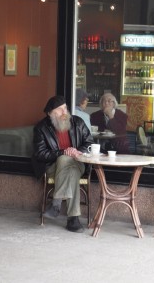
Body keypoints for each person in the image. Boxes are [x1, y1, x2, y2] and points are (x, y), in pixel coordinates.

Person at [32, 95, 94, 233]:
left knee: (68, 162)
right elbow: (40, 154)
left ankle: (56, 203)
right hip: (53, 167)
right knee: (65, 162)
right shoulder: (41, 128)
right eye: (59, 110)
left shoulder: (78, 122)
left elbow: (90, 143)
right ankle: (73, 219)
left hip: (79, 162)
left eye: (65, 108)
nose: (64, 112)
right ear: (50, 114)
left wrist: (76, 152)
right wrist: (63, 152)